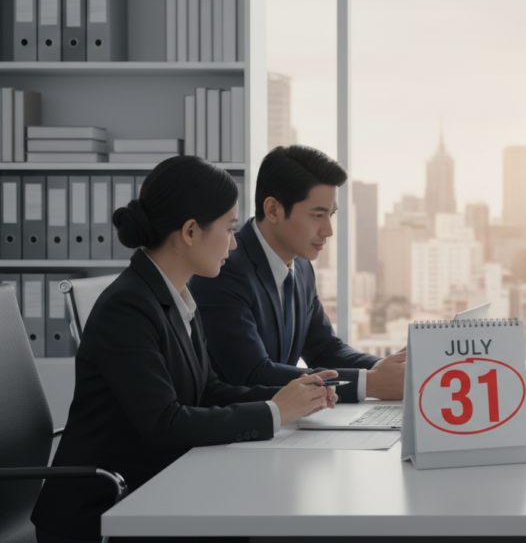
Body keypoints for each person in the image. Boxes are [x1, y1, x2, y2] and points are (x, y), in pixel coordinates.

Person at [31, 156, 337, 543]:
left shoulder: (175, 296)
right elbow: (166, 424)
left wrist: (292, 398)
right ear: (191, 231)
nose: (234, 241)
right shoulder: (128, 307)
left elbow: (207, 389)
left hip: (151, 488)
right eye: (228, 228)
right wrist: (275, 412)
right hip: (102, 510)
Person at [190, 145, 404, 402]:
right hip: (234, 431)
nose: (328, 230)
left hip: (283, 426)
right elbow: (253, 373)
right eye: (317, 215)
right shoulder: (224, 270)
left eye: (331, 215)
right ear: (273, 210)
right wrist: (368, 384)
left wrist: (392, 369)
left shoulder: (301, 267)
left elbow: (325, 349)